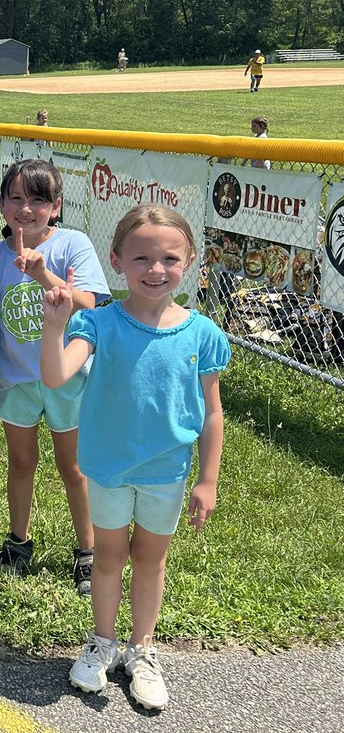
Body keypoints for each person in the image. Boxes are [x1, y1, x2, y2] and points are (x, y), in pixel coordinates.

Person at [41, 205, 229, 712]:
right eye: (141, 257)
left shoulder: (203, 334)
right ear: (116, 260)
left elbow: (212, 415)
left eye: (169, 257)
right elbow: (58, 376)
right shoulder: (97, 322)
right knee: (108, 557)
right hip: (107, 468)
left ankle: (141, 651)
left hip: (166, 474)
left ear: (189, 261)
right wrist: (55, 327)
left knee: (150, 560)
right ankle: (102, 642)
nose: (155, 269)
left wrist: (207, 480)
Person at [0, 160, 109, 595]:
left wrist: (41, 273)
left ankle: (87, 552)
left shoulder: (73, 245)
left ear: (57, 206)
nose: (26, 208)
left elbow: (90, 302)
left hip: (67, 376)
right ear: (2, 203)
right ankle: (18, 542)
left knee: (73, 467)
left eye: (38, 200)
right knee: (22, 462)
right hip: (16, 380)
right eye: (16, 198)